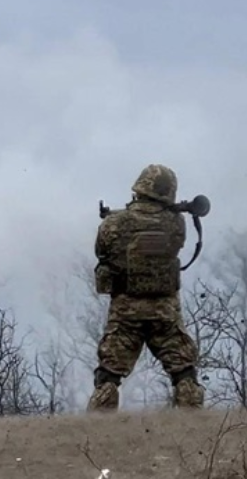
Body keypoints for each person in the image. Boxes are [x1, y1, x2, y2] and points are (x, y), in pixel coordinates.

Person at [87, 164, 204, 411]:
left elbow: (101, 252)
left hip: (125, 312)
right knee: (184, 371)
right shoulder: (177, 223)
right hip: (165, 311)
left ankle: (97, 432)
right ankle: (194, 428)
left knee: (108, 375)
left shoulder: (114, 223)